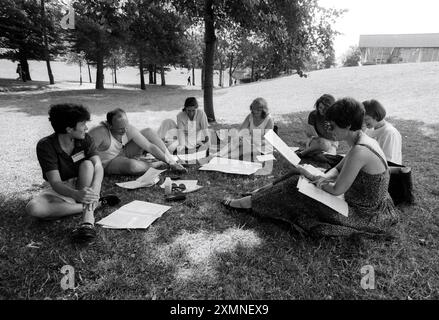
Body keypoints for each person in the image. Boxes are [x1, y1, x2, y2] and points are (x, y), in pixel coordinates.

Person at [222, 97, 399, 238]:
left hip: (361, 215)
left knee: (294, 186)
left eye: (332, 126)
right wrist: (316, 175)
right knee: (298, 173)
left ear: (347, 125)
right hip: (359, 203)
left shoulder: (361, 150)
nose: (329, 130)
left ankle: (247, 203)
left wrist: (316, 179)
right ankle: (257, 195)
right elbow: (337, 169)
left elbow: (337, 189)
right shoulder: (361, 140)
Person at [25, 104, 119, 244]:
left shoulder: (85, 139)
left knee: (88, 164)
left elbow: (98, 166)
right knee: (33, 208)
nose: (86, 128)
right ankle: (96, 204)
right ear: (69, 129)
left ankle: (88, 221)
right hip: (60, 188)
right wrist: (76, 194)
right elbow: (55, 183)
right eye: (83, 124)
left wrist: (96, 188)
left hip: (83, 181)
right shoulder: (45, 146)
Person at [88, 109, 187, 176]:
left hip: (122, 153)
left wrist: (171, 163)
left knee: (148, 131)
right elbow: (84, 153)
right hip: (108, 164)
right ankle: (156, 164)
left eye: (126, 126)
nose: (125, 130)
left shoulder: (127, 128)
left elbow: (150, 147)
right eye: (121, 129)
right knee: (133, 166)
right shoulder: (99, 133)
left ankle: (171, 160)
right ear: (110, 126)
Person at [297, 94, 338, 161]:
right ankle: (303, 153)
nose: (321, 110)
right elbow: (312, 134)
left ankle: (314, 154)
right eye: (320, 108)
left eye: (325, 109)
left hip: (332, 143)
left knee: (330, 157)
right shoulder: (313, 115)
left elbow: (336, 137)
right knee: (324, 144)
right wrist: (310, 134)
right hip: (316, 141)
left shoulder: (334, 117)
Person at [363, 99, 402, 165]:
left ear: (376, 116)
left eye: (366, 119)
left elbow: (389, 162)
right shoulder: (368, 130)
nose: (363, 122)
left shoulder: (390, 133)